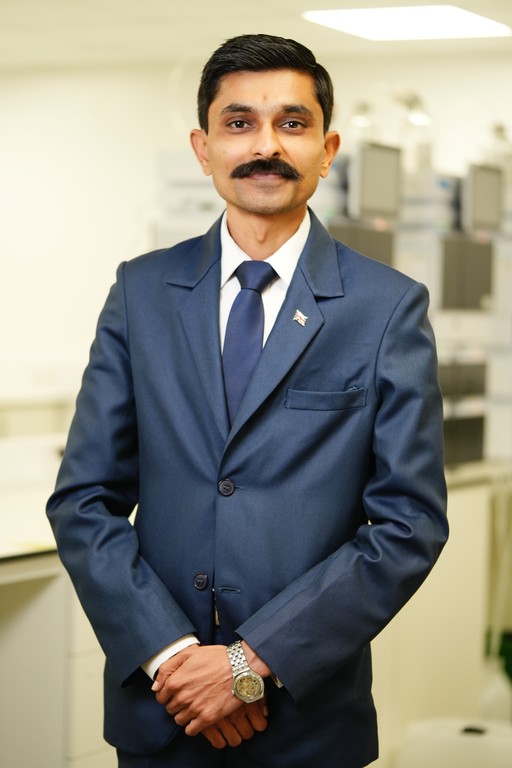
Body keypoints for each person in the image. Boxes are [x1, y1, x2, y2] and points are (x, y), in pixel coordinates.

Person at [47, 33, 448, 768]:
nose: (266, 144)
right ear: (203, 149)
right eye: (240, 123)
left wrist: (247, 666)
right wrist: (174, 662)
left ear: (327, 150)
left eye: (292, 124)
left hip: (305, 722)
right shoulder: (141, 293)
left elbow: (408, 523)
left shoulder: (386, 309)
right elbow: (84, 501)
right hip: (163, 714)